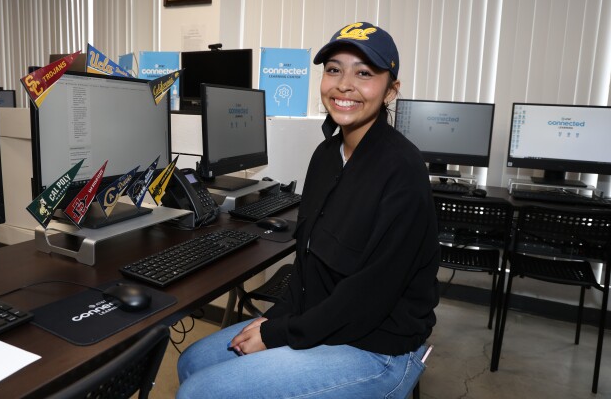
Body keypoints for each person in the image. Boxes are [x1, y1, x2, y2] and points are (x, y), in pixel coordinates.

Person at [176, 21, 440, 398]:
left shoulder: (402, 171)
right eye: (334, 69)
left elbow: (368, 298)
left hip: (378, 347)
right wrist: (278, 317)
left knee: (198, 392)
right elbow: (308, 265)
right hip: (324, 320)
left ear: (390, 91)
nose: (344, 84)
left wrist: (276, 334)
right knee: (192, 362)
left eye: (364, 73)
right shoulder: (327, 156)